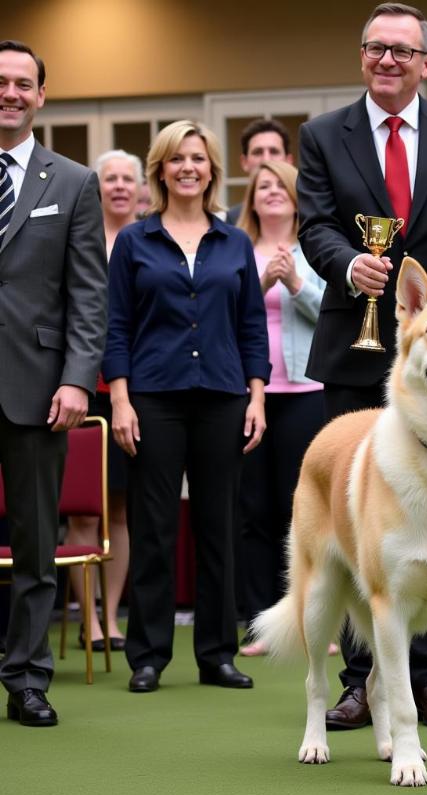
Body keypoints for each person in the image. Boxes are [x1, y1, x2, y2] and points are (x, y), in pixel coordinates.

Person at [297, 2, 427, 728]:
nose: (386, 60)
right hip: (355, 346)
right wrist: (345, 263)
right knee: (369, 528)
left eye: (401, 50)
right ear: (362, 57)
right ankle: (364, 683)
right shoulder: (324, 133)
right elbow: (313, 223)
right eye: (374, 48)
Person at [103, 120, 269, 694]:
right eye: (176, 159)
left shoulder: (235, 242)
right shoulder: (133, 241)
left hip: (224, 395)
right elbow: (116, 325)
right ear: (161, 170)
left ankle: (217, 655)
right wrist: (120, 399)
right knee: (152, 528)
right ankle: (148, 656)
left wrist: (257, 395)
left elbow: (252, 325)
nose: (188, 168)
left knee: (218, 527)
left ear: (212, 169)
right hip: (152, 398)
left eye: (197, 158)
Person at [0, 40, 107, 726]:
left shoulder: (72, 181)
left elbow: (89, 295)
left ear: (41, 96)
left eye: (21, 84)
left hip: (38, 389)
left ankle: (28, 679)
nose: (9, 93)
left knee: (37, 547)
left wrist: (77, 380)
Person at [233, 160, 326, 656]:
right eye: (262, 186)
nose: (271, 192)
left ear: (295, 196)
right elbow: (223, 315)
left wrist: (294, 282)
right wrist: (261, 283)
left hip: (308, 393)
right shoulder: (236, 248)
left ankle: (314, 622)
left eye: (280, 186)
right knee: (254, 511)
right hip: (252, 396)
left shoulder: (315, 248)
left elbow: (336, 311)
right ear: (251, 198)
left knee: (306, 513)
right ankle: (261, 626)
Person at [64, 149, 142, 653]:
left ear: (141, 189)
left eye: (126, 179)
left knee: (120, 512)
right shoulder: (81, 234)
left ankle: (112, 618)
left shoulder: (148, 241)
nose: (117, 186)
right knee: (81, 513)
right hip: (79, 390)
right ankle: (87, 618)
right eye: (108, 178)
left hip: (134, 395)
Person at [225, 118, 293, 225]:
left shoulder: (309, 214)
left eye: (274, 152)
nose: (266, 159)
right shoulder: (233, 219)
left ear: (289, 161)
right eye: (258, 152)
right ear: (244, 162)